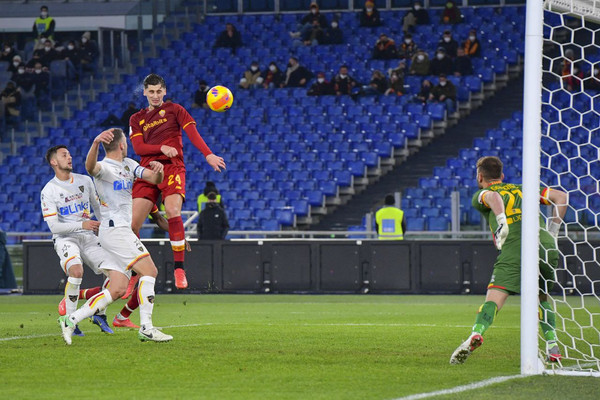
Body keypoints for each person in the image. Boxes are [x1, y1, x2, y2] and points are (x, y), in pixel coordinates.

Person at [58, 128, 173, 344]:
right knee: (150, 271)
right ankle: (147, 327)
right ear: (121, 144)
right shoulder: (105, 167)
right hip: (115, 230)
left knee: (118, 287)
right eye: (126, 142)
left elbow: (153, 178)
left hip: (119, 231)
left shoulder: (129, 164)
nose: (127, 144)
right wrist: (95, 143)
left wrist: (159, 171)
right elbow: (90, 167)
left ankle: (71, 319)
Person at [450, 156, 567, 364]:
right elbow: (561, 197)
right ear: (502, 176)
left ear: (480, 177)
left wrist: (501, 220)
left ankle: (476, 333)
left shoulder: (480, 195)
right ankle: (552, 345)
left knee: (493, 299)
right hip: (546, 246)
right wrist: (553, 231)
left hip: (515, 247)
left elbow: (493, 197)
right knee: (541, 299)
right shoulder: (524, 189)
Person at [128, 74, 226, 290]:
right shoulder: (136, 118)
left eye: (158, 91)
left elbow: (192, 133)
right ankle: (135, 269)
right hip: (148, 170)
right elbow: (138, 148)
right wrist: (161, 148)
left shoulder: (175, 110)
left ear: (164, 91)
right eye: (151, 92)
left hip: (172, 167)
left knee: (172, 211)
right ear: (144, 92)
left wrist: (208, 154)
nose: (155, 95)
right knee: (132, 225)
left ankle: (179, 269)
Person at [41, 145, 115, 337]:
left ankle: (99, 313)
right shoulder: (49, 190)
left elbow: (97, 208)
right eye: (64, 155)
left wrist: (106, 229)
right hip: (65, 238)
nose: (70, 157)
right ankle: (70, 321)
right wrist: (83, 225)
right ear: (54, 162)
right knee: (76, 270)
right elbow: (54, 227)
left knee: (116, 274)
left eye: (70, 154)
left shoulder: (84, 180)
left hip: (88, 236)